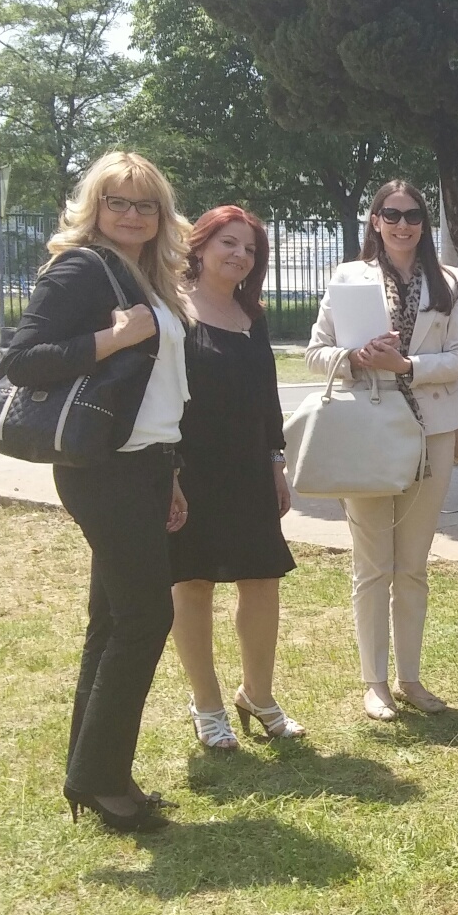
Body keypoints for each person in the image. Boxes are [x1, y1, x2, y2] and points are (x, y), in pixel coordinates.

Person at [0, 150, 192, 833]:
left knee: (113, 621)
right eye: (119, 202)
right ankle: (101, 780)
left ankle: (97, 774)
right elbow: (22, 359)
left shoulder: (149, 274)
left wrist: (170, 474)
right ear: (95, 207)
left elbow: (160, 390)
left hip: (145, 462)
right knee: (145, 618)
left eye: (146, 205)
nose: (133, 215)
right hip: (104, 470)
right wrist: (109, 339)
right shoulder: (81, 267)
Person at [306, 180, 458, 722]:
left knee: (413, 564)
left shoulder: (449, 282)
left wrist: (408, 367)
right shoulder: (347, 277)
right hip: (368, 429)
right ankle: (374, 682)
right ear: (375, 220)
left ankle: (410, 677)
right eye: (392, 214)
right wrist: (357, 358)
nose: (403, 224)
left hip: (431, 431)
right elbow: (316, 353)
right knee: (372, 563)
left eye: (413, 215)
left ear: (425, 224)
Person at [169, 205, 302, 750]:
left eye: (249, 248)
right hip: (190, 469)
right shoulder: (171, 309)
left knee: (261, 580)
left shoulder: (253, 314)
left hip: (249, 468)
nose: (240, 255)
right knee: (193, 583)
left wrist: (276, 462)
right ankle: (207, 704)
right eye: (229, 243)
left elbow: (267, 399)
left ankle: (259, 695)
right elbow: (160, 399)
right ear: (200, 245)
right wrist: (169, 474)